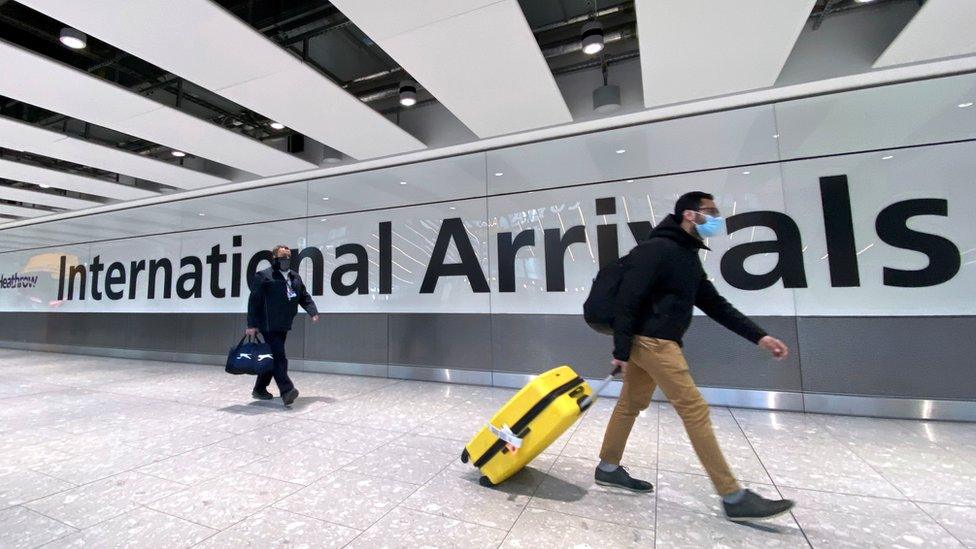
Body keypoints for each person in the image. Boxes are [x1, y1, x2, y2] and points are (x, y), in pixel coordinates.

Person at [595, 191, 795, 522]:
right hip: (655, 342)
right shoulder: (658, 249)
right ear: (690, 215)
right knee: (695, 409)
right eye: (710, 211)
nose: (716, 217)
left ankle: (608, 466)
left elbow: (715, 304)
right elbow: (628, 299)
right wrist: (620, 350)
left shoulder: (686, 256)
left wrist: (759, 336)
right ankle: (733, 497)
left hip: (650, 342)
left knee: (631, 404)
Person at [246, 244, 319, 406]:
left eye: (288, 257)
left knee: (271, 357)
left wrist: (313, 311)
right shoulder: (264, 276)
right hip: (268, 324)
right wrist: (252, 324)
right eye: (282, 257)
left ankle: (259, 389)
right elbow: (254, 301)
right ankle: (287, 390)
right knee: (279, 357)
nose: (286, 260)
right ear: (274, 259)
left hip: (284, 323)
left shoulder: (294, 277)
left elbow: (303, 296)